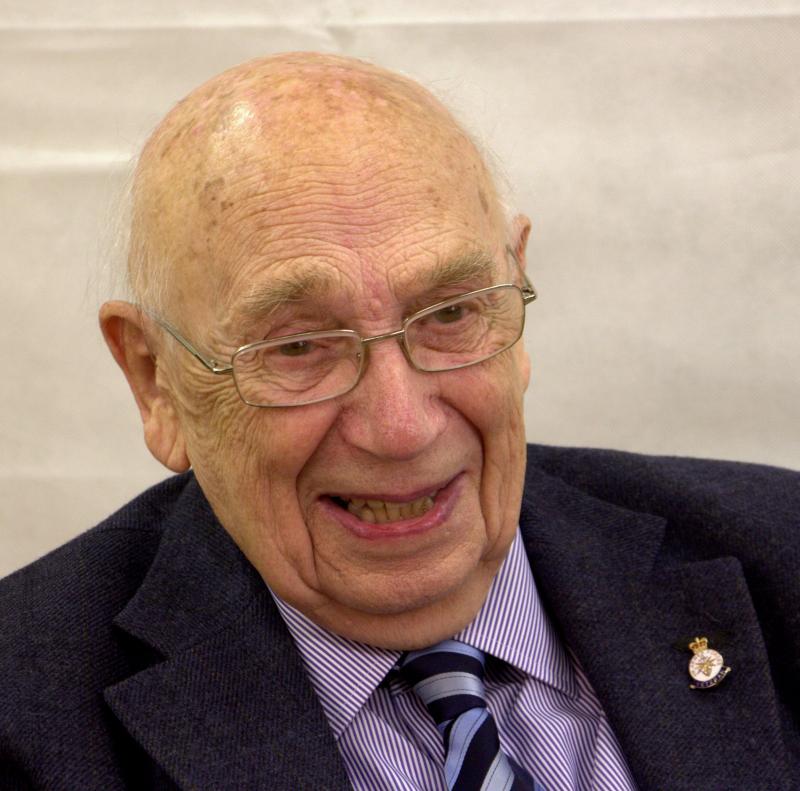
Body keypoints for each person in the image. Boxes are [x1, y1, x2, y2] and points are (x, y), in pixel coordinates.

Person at [0, 52, 797, 791]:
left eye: (450, 313)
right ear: (156, 380)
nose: (401, 426)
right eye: (298, 345)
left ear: (515, 292)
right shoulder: (24, 714)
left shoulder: (781, 555)